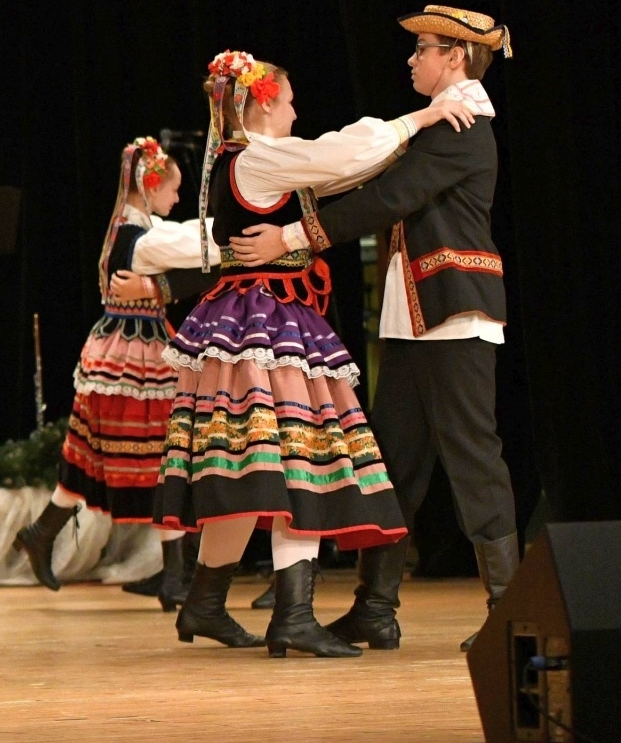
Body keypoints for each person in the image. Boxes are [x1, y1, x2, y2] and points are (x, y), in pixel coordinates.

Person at [152, 49, 475, 658]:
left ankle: (205, 602)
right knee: (302, 457)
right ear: (265, 103)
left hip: (247, 321)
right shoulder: (260, 158)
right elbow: (338, 155)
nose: (297, 112)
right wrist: (421, 119)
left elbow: (339, 172)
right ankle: (293, 616)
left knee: (253, 465)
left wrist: (400, 144)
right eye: (291, 101)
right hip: (266, 324)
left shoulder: (250, 160)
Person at [228, 6, 517, 652]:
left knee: (473, 459)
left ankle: (510, 612)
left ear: (456, 56)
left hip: (453, 312)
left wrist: (293, 236)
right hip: (418, 316)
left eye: (423, 48)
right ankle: (375, 607)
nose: (412, 59)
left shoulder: (465, 123)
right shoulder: (439, 121)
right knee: (393, 464)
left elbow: (390, 198)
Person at [13, 137, 208, 607]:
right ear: (152, 186)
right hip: (135, 358)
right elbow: (200, 249)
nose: (177, 198)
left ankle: (42, 532)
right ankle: (175, 576)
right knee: (163, 455)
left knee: (91, 452)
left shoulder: (126, 225)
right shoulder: (143, 237)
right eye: (173, 189)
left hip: (115, 349)